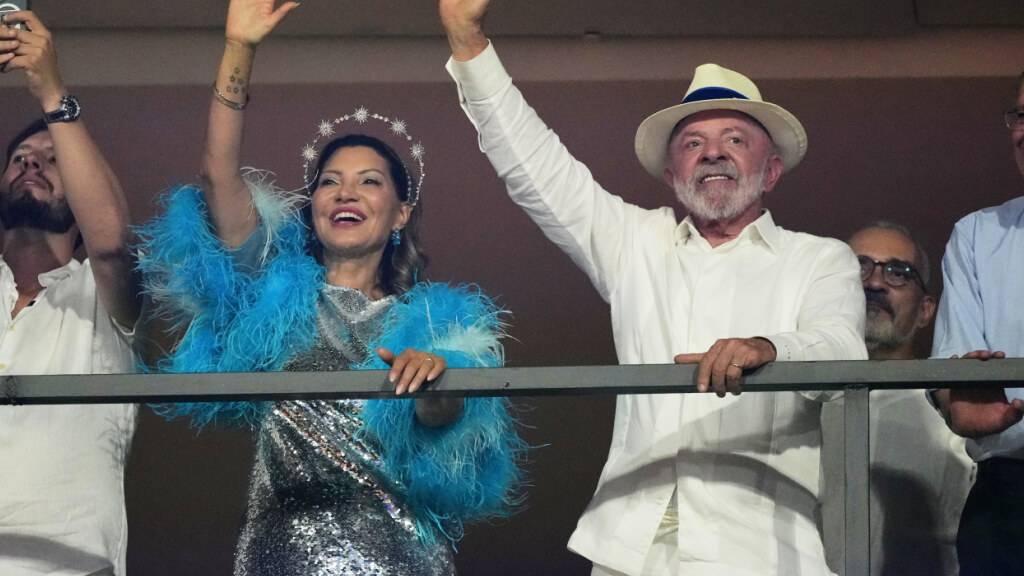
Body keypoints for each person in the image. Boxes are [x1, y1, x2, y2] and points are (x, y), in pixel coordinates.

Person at [438, 2, 866, 575]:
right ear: (672, 176)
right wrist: (468, 40)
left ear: (771, 171)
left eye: (735, 139)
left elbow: (843, 349)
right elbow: (534, 165)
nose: (712, 151)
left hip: (763, 551)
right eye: (692, 143)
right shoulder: (637, 243)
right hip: (629, 551)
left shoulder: (819, 259)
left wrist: (768, 348)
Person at [135, 1, 523, 574]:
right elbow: (219, 177)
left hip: (401, 562)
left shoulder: (437, 330)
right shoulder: (272, 303)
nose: (346, 194)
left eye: (369, 183)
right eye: (330, 183)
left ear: (399, 214)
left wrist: (437, 384)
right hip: (281, 557)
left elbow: (449, 435)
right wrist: (239, 48)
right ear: (312, 206)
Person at [0, 10, 141, 576]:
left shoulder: (100, 296)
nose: (34, 162)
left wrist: (51, 92)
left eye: (55, 159)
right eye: (20, 159)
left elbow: (110, 241)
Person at [820, 222, 974, 575]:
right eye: (858, 268)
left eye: (898, 273)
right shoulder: (794, 406)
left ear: (925, 310)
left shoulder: (958, 415)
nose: (874, 283)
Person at [930, 70, 1024, 576]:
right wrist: (954, 398)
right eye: (1022, 114)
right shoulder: (976, 235)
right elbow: (955, 368)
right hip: (1009, 497)